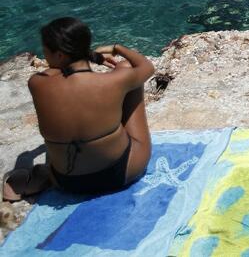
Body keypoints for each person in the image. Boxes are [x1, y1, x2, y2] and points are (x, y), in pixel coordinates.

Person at [3, 17, 154, 200]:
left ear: (60, 55)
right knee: (127, 70)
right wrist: (117, 48)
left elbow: (58, 72)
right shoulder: (114, 81)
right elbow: (147, 67)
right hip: (121, 174)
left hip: (67, 182)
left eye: (46, 52)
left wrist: (87, 56)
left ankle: (39, 179)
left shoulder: (36, 83)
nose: (45, 56)